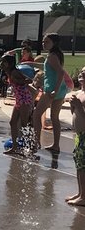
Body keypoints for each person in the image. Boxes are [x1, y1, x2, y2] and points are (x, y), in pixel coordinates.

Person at [32, 33, 67, 154]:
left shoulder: (52, 56)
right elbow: (49, 67)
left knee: (36, 115)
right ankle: (56, 145)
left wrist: (54, 90)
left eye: (46, 42)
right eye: (43, 41)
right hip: (61, 90)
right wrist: (31, 64)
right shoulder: (56, 55)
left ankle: (36, 143)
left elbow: (61, 73)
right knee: (54, 118)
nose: (44, 44)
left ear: (54, 43)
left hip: (51, 90)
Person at [0, 55, 34, 155]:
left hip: (24, 99)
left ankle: (31, 147)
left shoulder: (14, 72)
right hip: (19, 100)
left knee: (24, 123)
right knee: (12, 122)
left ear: (9, 64)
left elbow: (28, 80)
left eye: (4, 62)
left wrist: (18, 81)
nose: (2, 64)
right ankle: (15, 146)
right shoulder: (9, 72)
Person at [65, 69, 85, 207]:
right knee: (79, 165)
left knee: (83, 166)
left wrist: (78, 106)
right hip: (79, 135)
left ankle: (84, 197)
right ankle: (80, 193)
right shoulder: (79, 93)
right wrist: (74, 106)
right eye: (81, 72)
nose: (81, 74)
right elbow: (75, 114)